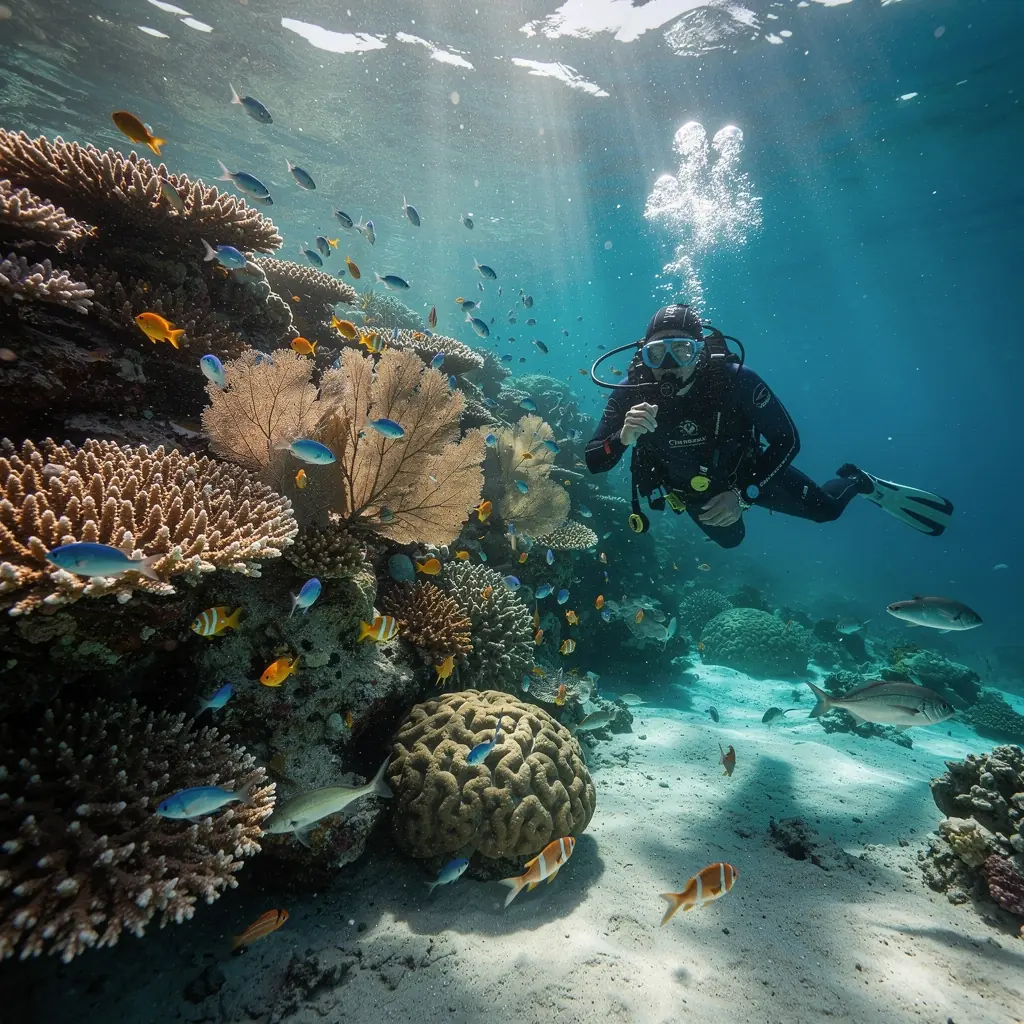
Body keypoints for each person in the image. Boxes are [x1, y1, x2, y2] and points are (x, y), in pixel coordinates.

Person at [585, 303, 952, 547]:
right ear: (642, 354)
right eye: (655, 352)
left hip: (748, 473)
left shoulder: (736, 381)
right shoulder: (631, 391)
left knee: (826, 511)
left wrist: (744, 493)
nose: (667, 363)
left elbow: (787, 439)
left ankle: (858, 481)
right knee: (732, 541)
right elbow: (594, 461)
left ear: (699, 353)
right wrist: (621, 437)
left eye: (681, 350)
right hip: (691, 489)